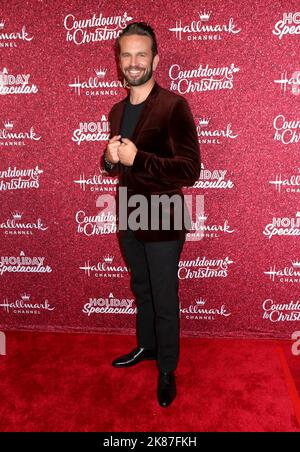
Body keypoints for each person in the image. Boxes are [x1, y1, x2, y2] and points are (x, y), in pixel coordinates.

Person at [102, 22, 200, 407]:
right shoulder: (116, 110)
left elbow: (190, 170)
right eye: (126, 54)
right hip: (129, 214)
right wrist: (110, 160)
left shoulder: (174, 106)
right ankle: (147, 347)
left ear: (155, 60)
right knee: (141, 289)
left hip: (163, 216)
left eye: (141, 54)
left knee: (163, 295)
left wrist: (136, 158)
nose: (134, 61)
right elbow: (119, 164)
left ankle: (167, 368)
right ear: (119, 62)